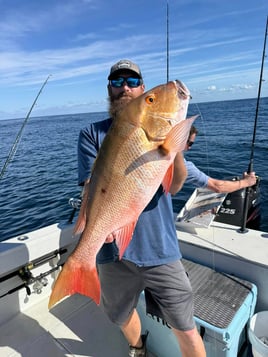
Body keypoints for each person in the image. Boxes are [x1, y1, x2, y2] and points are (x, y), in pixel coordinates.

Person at [77, 59, 206, 357]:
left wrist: (173, 148)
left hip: (158, 247)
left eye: (133, 82)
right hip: (111, 252)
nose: (125, 87)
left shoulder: (159, 133)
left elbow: (174, 187)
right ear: (109, 89)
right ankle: (138, 350)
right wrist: (96, 230)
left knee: (185, 325)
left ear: (142, 88)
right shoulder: (90, 134)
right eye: (117, 81)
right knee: (120, 315)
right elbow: (90, 186)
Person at [184, 125, 257, 192]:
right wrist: (246, 182)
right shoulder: (183, 166)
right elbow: (217, 186)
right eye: (190, 143)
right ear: (181, 140)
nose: (190, 148)